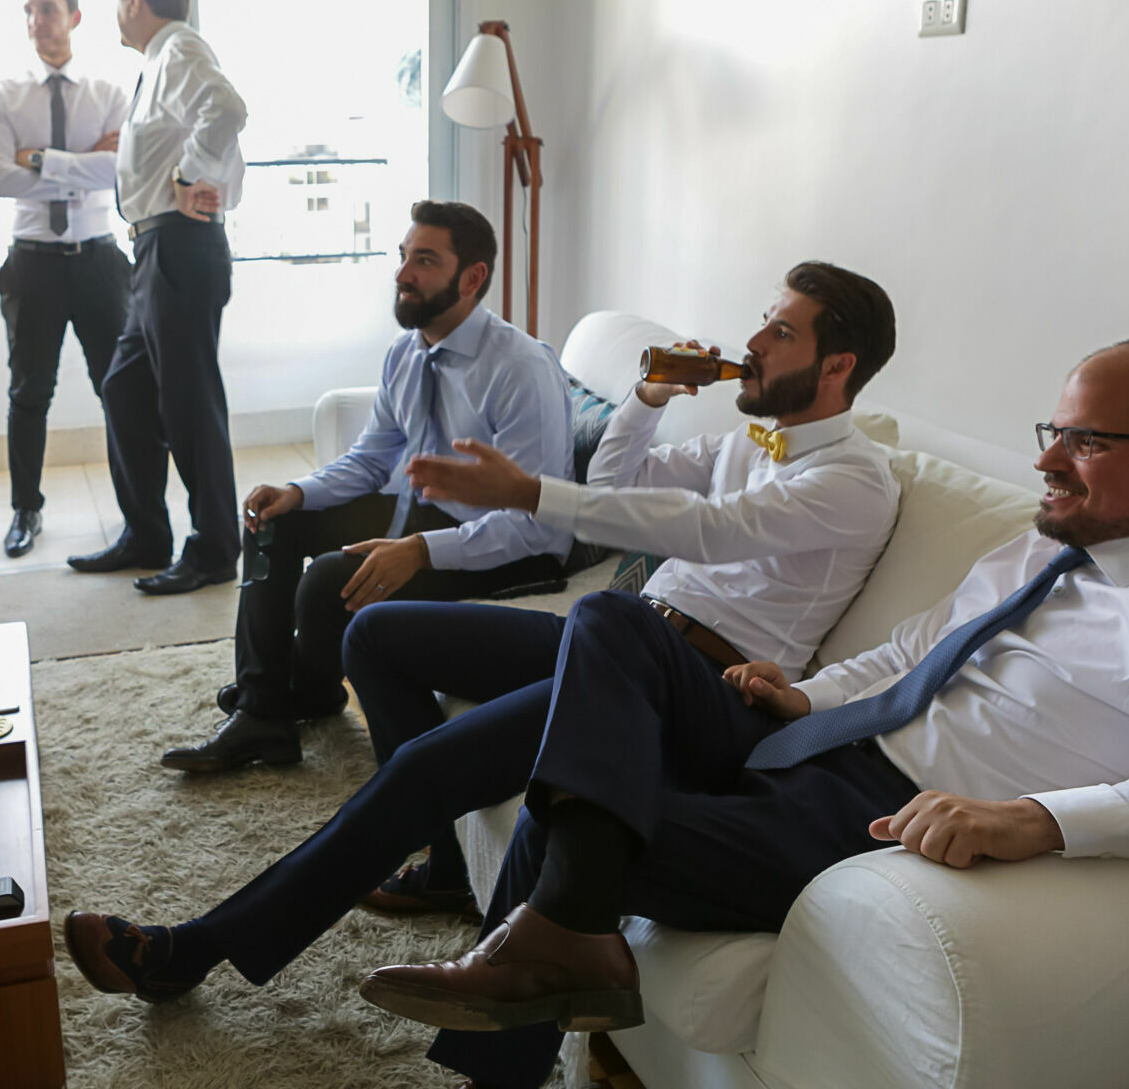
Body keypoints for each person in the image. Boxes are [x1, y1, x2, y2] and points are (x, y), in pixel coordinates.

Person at [64, 337, 1129, 1089]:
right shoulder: (1032, 548)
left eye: (1087, 439)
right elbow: (904, 651)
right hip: (808, 733)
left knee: (572, 785)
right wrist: (808, 689)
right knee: (618, 635)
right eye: (1052, 431)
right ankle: (552, 953)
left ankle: (495, 1025)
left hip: (864, 815)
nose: (1053, 458)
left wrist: (1037, 815)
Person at [347, 261, 901, 919]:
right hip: (618, 631)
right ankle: (448, 868)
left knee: (435, 763)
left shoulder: (855, 479)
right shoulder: (751, 439)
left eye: (779, 332)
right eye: (763, 322)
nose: (753, 345)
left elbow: (710, 532)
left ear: (837, 366)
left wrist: (530, 493)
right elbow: (612, 487)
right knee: (376, 636)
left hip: (689, 677)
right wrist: (649, 395)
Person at [159, 201, 578, 775]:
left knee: (328, 580)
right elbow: (370, 458)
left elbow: (539, 524)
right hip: (428, 515)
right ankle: (265, 711)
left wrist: (421, 551)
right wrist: (297, 491)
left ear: (472, 277)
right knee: (273, 523)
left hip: (505, 548)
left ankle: (295, 696)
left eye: (425, 261)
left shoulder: (520, 369)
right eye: (404, 257)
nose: (403, 273)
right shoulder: (406, 354)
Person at [67, 0, 246, 595]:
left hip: (179, 250)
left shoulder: (178, 50)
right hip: (153, 252)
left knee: (188, 402)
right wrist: (192, 175)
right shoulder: (157, 62)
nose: (117, 15)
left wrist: (190, 177)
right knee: (124, 387)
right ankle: (147, 533)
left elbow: (225, 109)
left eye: (117, 2)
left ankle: (216, 548)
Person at [0, 0, 132, 558]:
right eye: (28, 11)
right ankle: (26, 509)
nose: (36, 21)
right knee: (29, 391)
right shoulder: (6, 96)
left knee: (116, 388)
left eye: (47, 9)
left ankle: (134, 509)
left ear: (74, 16)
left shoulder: (109, 93)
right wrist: (82, 161)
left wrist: (40, 159)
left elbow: (117, 170)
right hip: (33, 263)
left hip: (98, 259)